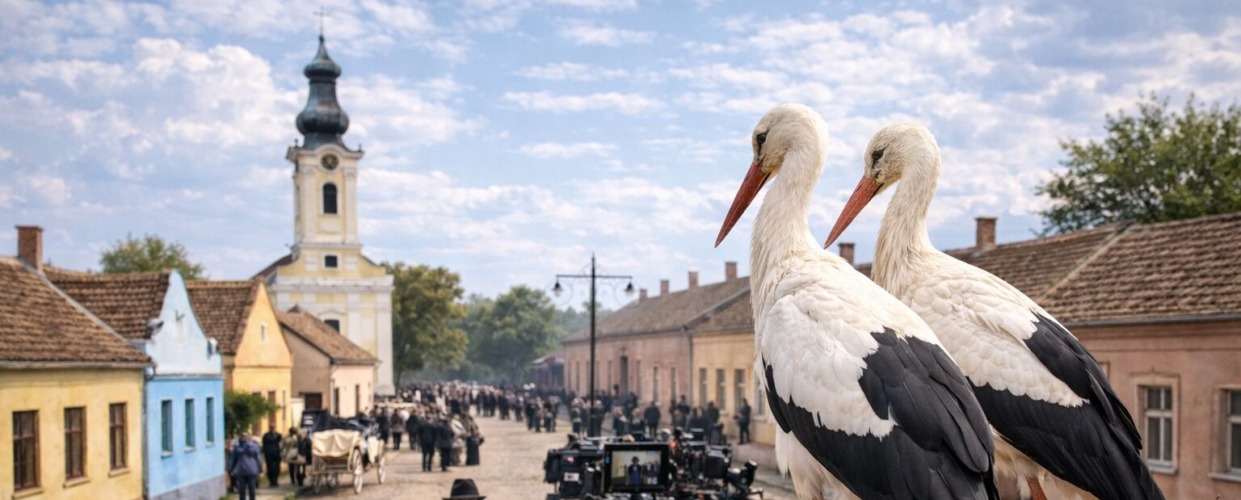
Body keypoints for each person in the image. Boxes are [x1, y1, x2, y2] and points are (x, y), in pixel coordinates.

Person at [230, 432, 263, 500]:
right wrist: (260, 469)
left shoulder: (237, 447)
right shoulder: (254, 446)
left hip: (241, 469)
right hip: (251, 469)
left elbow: (233, 459)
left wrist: (230, 469)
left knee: (242, 490)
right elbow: (258, 458)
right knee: (251, 488)